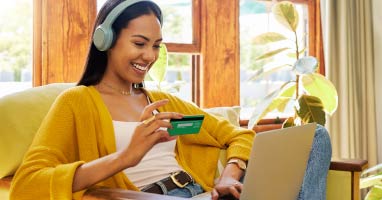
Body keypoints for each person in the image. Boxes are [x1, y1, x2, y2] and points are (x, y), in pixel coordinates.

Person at [10, 0, 331, 199]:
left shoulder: (164, 103)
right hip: (144, 197)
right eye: (139, 43)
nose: (149, 56)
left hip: (202, 193)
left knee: (315, 136)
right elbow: (28, 184)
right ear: (104, 40)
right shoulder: (77, 102)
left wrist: (228, 176)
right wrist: (126, 157)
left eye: (156, 45)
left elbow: (235, 135)